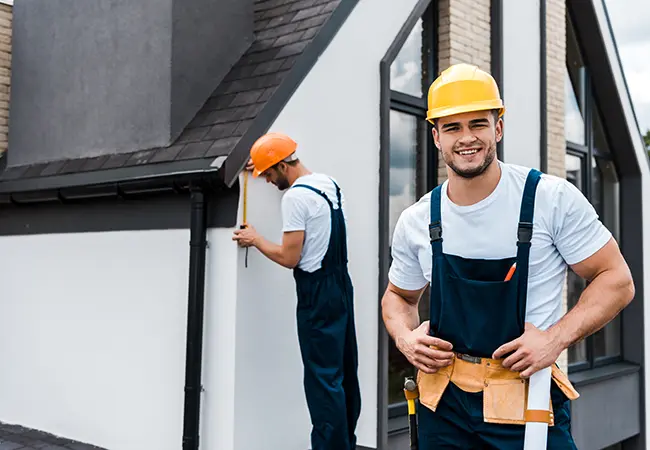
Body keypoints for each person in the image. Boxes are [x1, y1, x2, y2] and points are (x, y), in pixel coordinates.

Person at [381, 63, 635, 448]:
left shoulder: (549, 199)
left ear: (497, 127)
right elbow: (398, 296)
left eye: (477, 124)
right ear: (435, 136)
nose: (466, 138)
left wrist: (554, 340)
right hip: (443, 407)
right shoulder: (417, 220)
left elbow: (616, 279)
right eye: (452, 127)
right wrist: (404, 337)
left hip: (524, 401)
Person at [232, 132, 361, 450]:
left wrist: (256, 239)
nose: (265, 181)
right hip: (342, 286)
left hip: (317, 294)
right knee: (344, 373)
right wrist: (262, 163)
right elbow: (309, 211)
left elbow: (290, 258)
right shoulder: (327, 183)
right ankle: (345, 443)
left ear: (280, 166)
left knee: (322, 380)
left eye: (268, 174)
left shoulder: (294, 199)